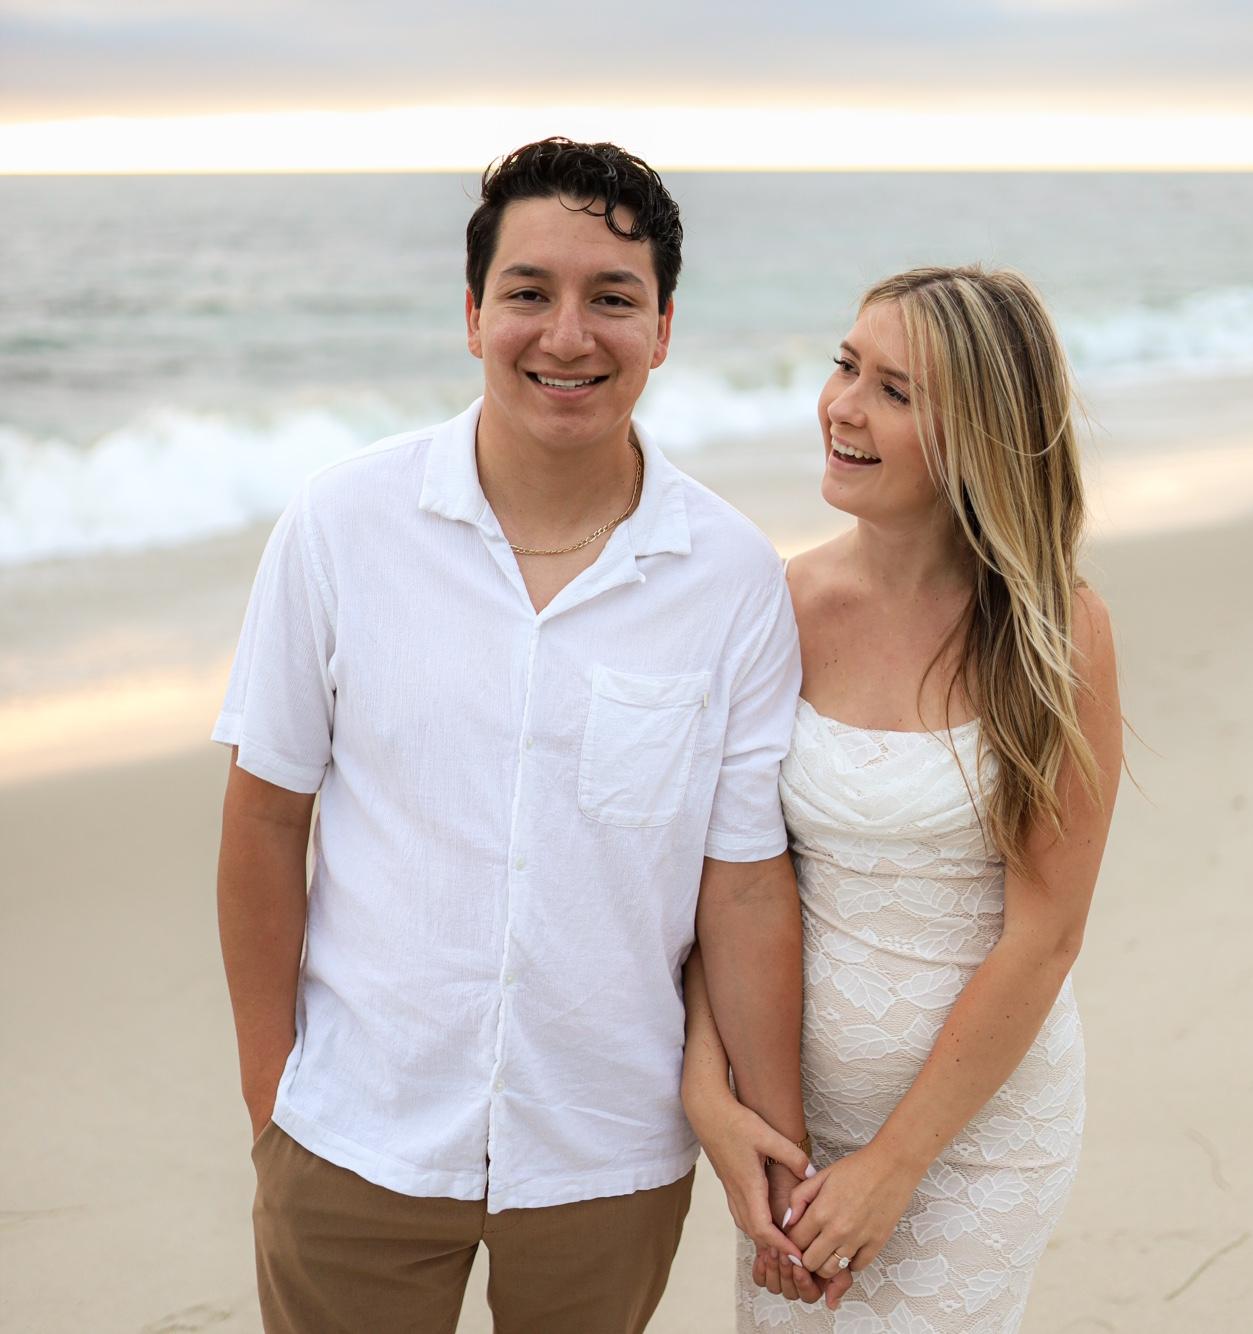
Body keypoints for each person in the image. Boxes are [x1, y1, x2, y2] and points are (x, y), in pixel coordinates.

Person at [213, 137, 812, 1334]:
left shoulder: (733, 576)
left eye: (612, 298)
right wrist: (271, 1093)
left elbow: (743, 884)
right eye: (529, 292)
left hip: (606, 1146)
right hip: (355, 1129)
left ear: (663, 327)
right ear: (473, 314)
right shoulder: (340, 524)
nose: (567, 335)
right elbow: (267, 816)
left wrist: (777, 1134)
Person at [682, 266, 1123, 1330]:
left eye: (894, 391)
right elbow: (727, 875)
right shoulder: (779, 606)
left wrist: (894, 1162)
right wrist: (712, 1093)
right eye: (845, 366)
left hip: (975, 1139)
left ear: (978, 432)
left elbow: (1045, 936)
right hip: (790, 1120)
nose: (842, 406)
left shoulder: (1054, 631)